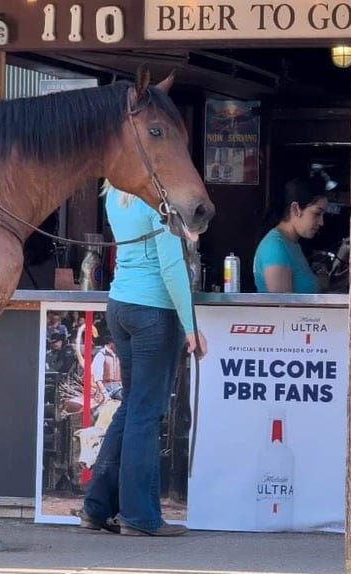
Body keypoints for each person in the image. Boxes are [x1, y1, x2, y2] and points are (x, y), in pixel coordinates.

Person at [79, 182, 208, 537]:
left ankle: (97, 507)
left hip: (120, 304)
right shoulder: (158, 203)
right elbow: (171, 266)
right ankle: (139, 515)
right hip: (154, 310)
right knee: (146, 412)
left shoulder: (115, 198)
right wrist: (190, 323)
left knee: (131, 408)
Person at [253, 177, 329, 293]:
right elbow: (282, 308)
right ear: (296, 209)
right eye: (317, 213)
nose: (321, 222)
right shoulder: (275, 248)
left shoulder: (292, 244)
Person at [90, 335, 122, 402]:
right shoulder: (101, 354)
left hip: (120, 386)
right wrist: (103, 392)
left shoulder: (120, 354)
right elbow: (97, 376)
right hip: (107, 387)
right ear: (110, 342)